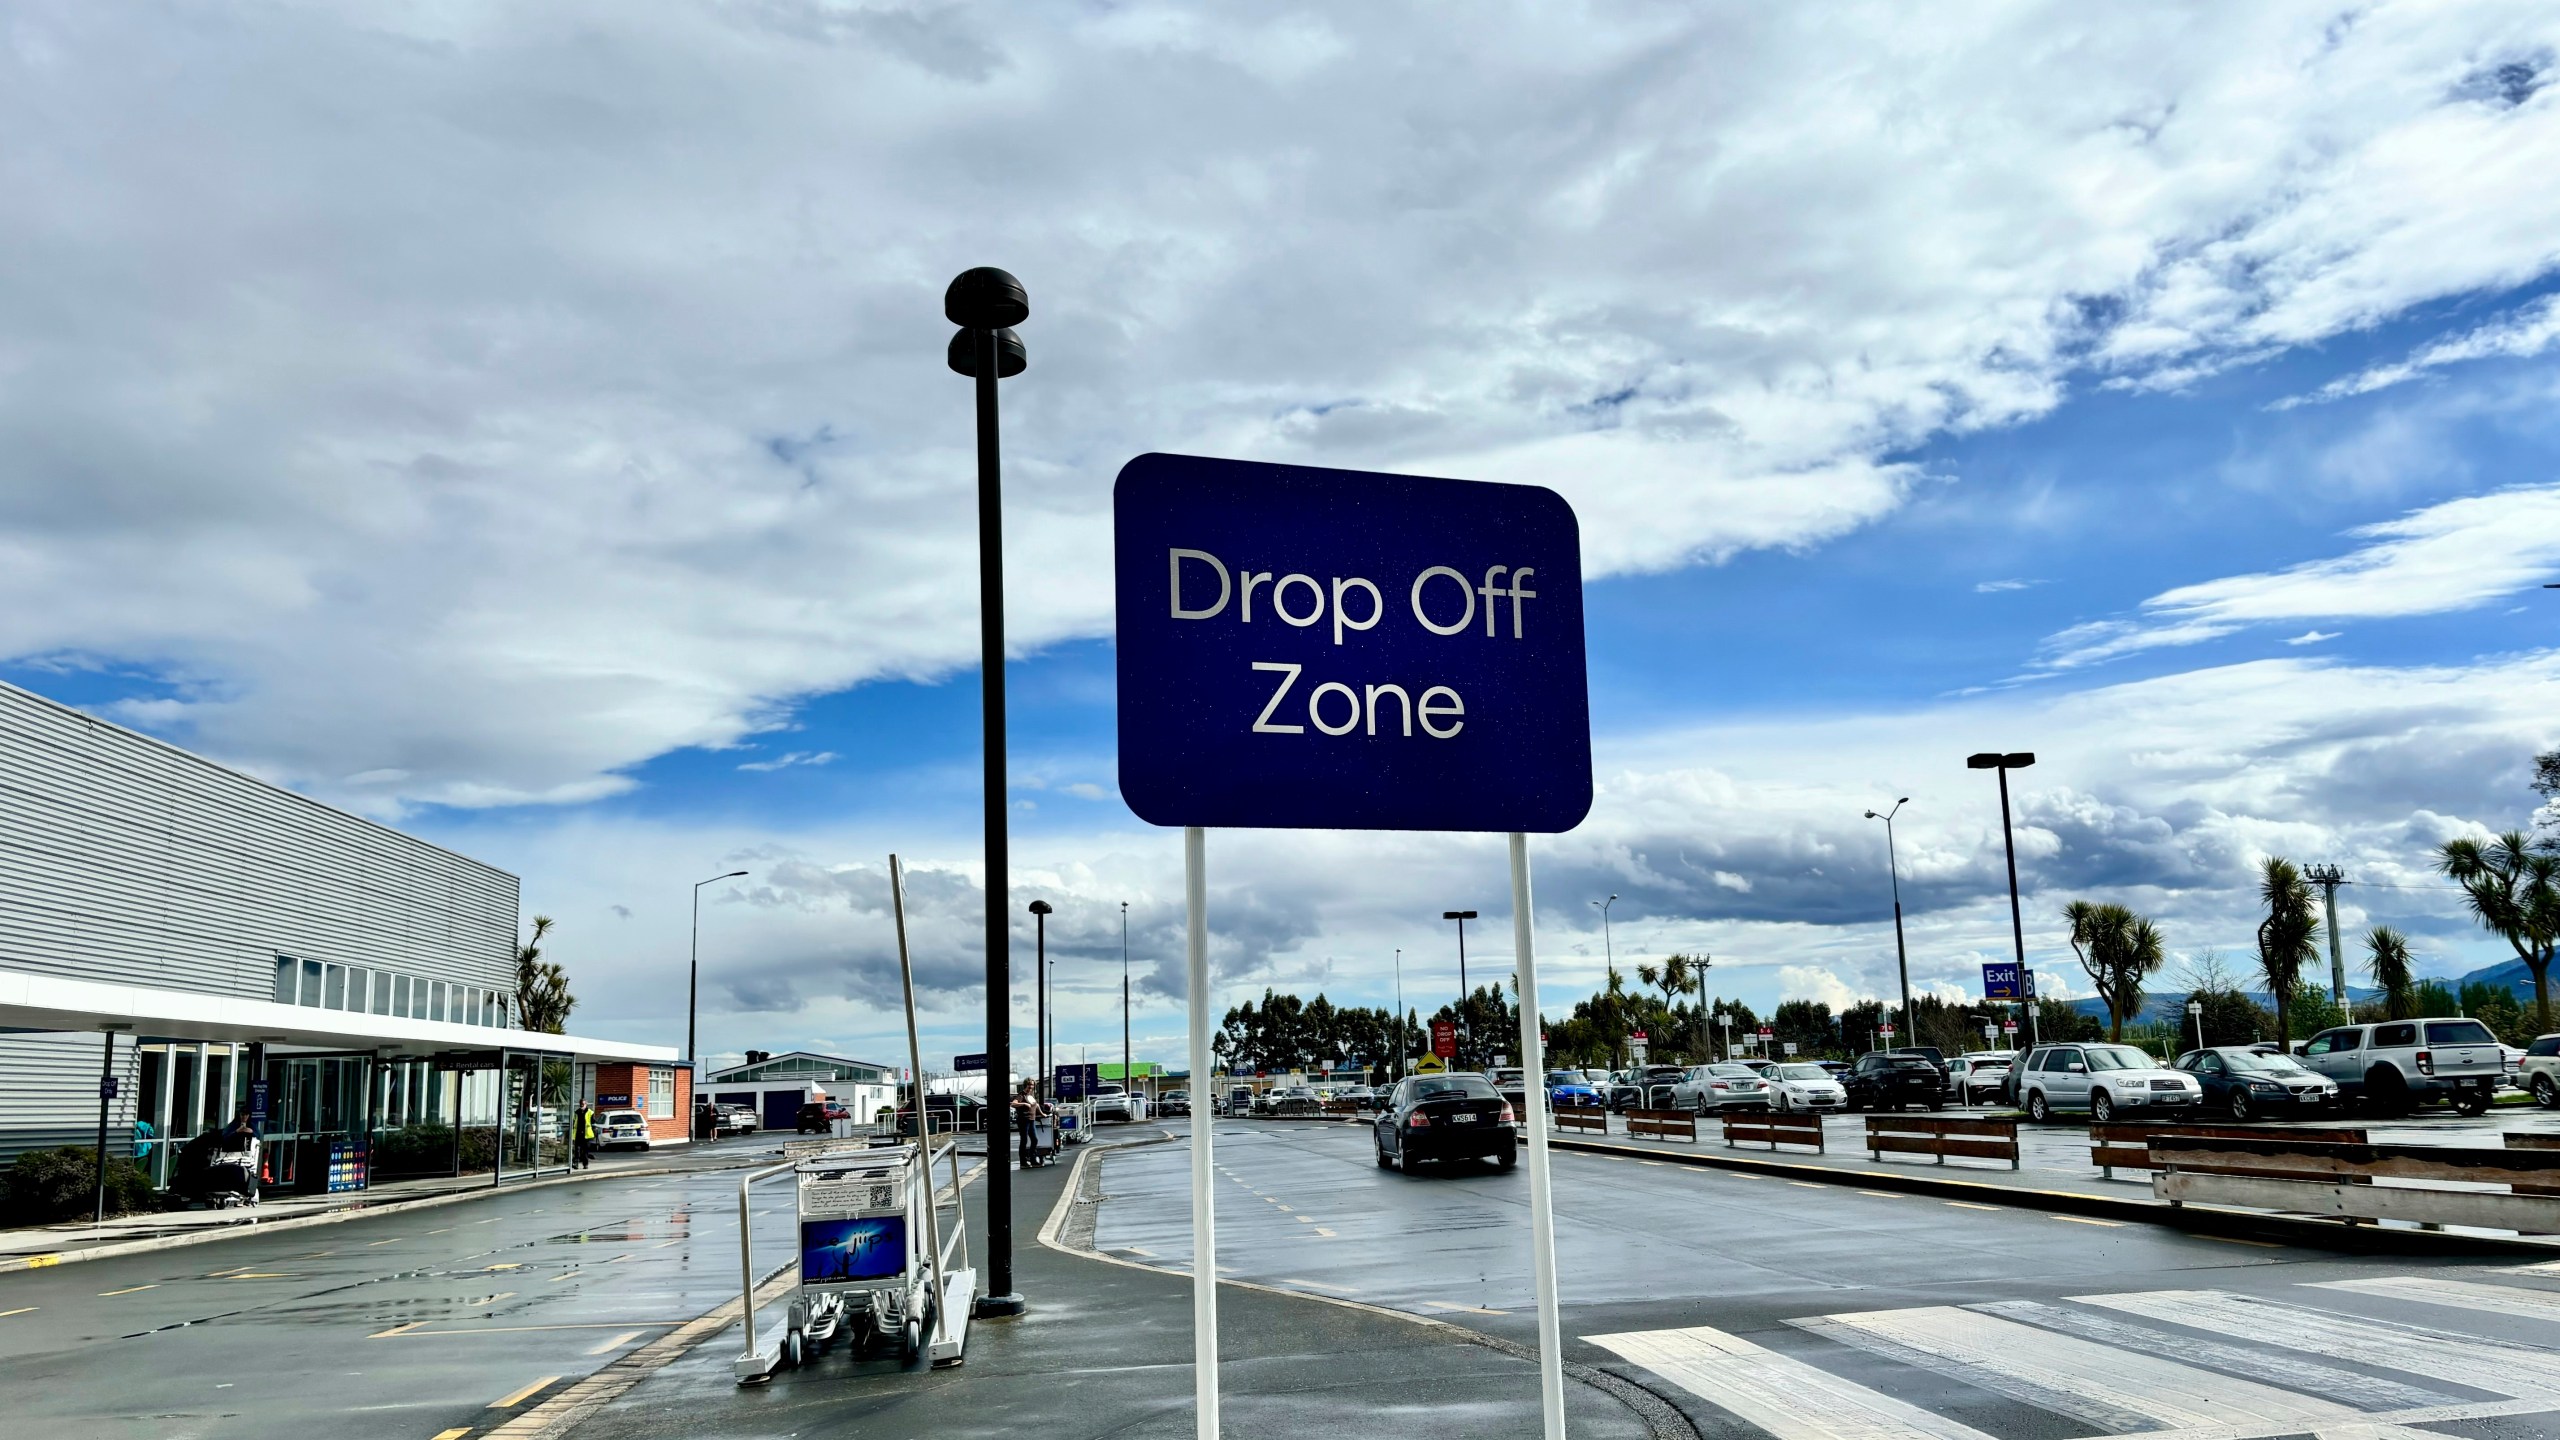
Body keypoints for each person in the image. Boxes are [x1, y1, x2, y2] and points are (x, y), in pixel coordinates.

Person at [573, 1103, 595, 1169]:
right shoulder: (577, 1112)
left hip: (586, 1135)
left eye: (583, 1104)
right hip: (578, 1134)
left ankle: (585, 1164)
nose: (581, 1106)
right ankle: (576, 1164)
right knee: (577, 1150)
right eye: (580, 1105)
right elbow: (574, 1121)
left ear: (586, 1104)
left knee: (585, 1151)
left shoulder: (590, 1112)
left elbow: (593, 1122)